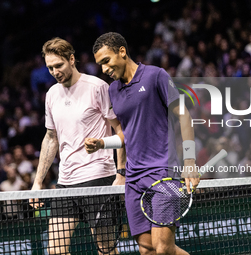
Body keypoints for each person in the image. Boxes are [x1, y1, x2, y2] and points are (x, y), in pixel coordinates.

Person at [86, 32, 199, 255]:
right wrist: (102, 143)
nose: (104, 69)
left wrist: (190, 161)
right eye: (100, 65)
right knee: (147, 249)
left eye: (106, 61)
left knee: (163, 248)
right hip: (133, 179)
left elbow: (183, 115)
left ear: (122, 51)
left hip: (162, 172)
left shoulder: (155, 75)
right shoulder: (113, 90)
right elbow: (126, 135)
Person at [29, 37, 126, 255]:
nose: (55, 71)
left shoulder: (98, 87)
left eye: (59, 65)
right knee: (55, 251)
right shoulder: (51, 94)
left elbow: (120, 131)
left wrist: (121, 173)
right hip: (65, 183)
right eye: (50, 68)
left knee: (106, 250)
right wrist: (37, 182)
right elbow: (51, 137)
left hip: (98, 178)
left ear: (71, 60)